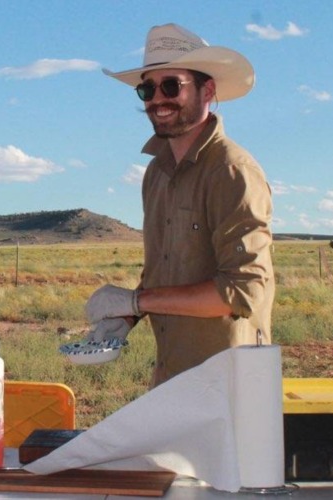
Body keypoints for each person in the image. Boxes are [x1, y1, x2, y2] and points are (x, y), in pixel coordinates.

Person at [85, 23, 275, 387]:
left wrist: (136, 302)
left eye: (171, 85)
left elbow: (244, 290)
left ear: (208, 90)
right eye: (147, 89)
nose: (158, 98)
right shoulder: (156, 172)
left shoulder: (231, 172)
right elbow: (163, 269)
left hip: (229, 380)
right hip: (171, 374)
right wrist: (126, 318)